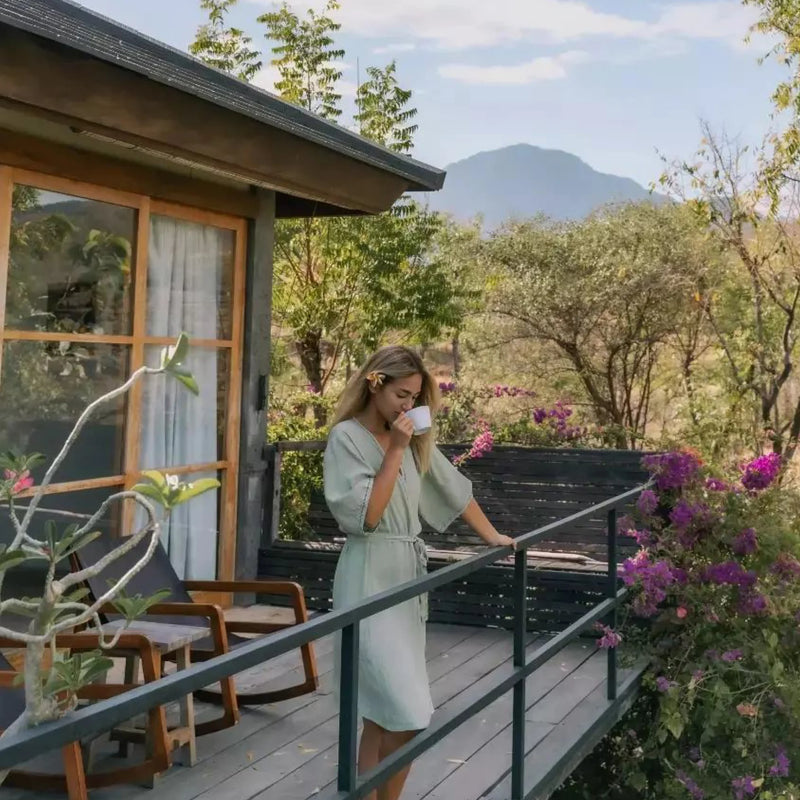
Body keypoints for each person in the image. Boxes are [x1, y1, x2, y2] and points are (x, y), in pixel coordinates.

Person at [323, 345, 515, 800]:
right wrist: (396, 448)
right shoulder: (346, 438)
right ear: (375, 385)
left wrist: (492, 536)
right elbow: (368, 517)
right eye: (401, 395)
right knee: (407, 714)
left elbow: (453, 489)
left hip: (405, 580)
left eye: (414, 398)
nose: (407, 406)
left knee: (380, 716)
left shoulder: (411, 437)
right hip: (367, 577)